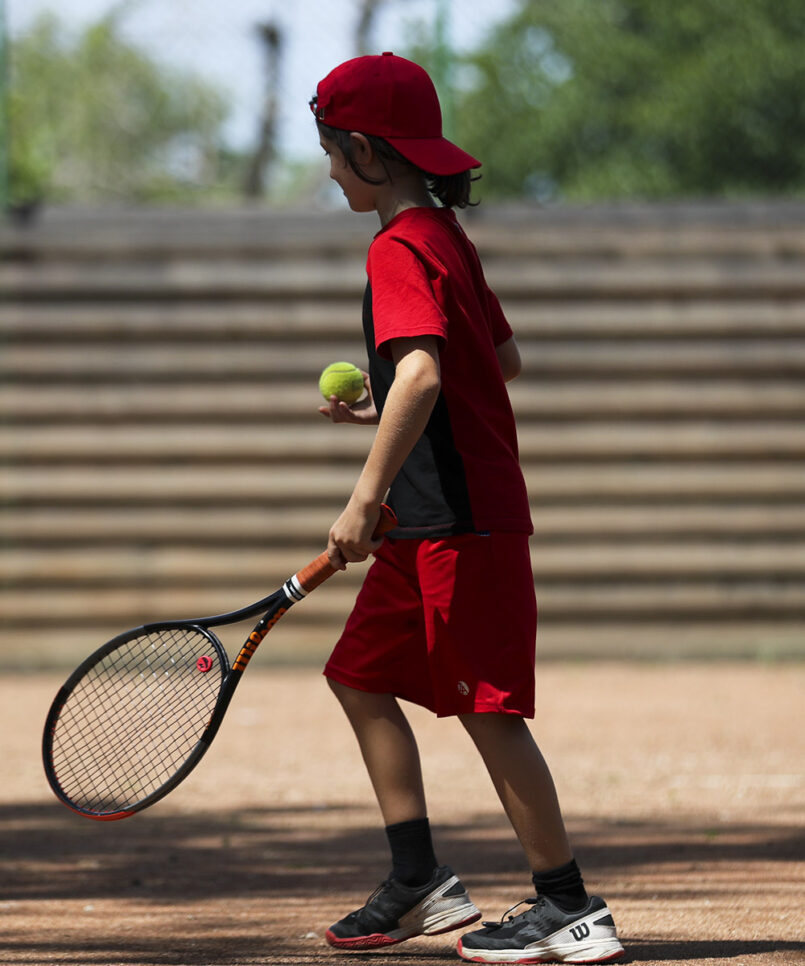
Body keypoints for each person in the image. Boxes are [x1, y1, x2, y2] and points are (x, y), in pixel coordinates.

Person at [311, 52, 624, 964]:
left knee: (487, 709)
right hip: (434, 522)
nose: (329, 170)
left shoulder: (398, 246)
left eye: (333, 151)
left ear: (367, 152)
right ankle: (418, 884)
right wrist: (379, 419)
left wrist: (362, 496)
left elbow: (422, 370)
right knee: (358, 675)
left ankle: (567, 905)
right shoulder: (445, 236)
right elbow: (500, 364)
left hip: (459, 522)